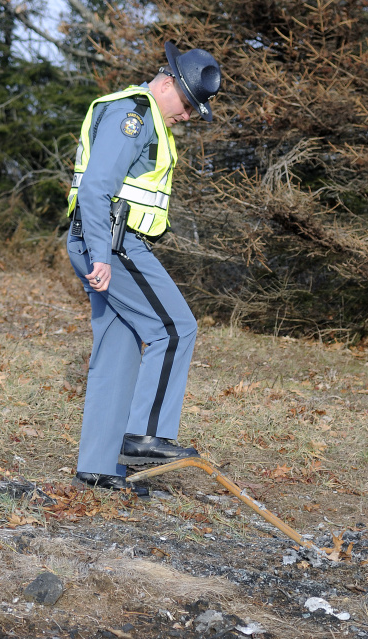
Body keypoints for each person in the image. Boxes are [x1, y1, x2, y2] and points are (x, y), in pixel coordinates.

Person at [66, 42, 221, 495]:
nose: (189, 115)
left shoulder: (144, 116)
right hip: (112, 243)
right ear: (168, 82)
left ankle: (98, 467)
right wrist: (100, 255)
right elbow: (96, 190)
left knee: (116, 349)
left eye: (197, 109)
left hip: (103, 241)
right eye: (189, 103)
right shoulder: (134, 116)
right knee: (174, 328)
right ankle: (145, 437)